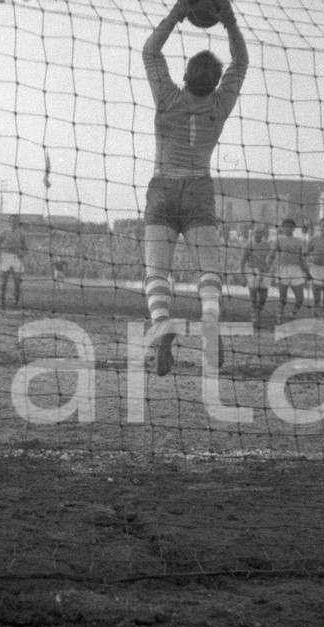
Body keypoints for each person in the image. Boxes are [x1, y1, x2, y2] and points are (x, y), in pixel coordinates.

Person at [142, 0, 247, 376]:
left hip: (163, 187)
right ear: (215, 82)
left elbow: (150, 51)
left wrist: (178, 12)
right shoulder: (219, 105)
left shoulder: (168, 98)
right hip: (199, 187)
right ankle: (210, 322)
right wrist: (229, 20)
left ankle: (162, 326)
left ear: (184, 75)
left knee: (157, 272)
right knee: (208, 271)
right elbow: (242, 63)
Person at [265, 218, 309, 323]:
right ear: (283, 228)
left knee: (300, 298)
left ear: (294, 228)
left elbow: (301, 258)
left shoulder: (299, 241)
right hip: (283, 270)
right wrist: (267, 265)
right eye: (286, 226)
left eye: (291, 226)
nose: (288, 229)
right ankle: (279, 315)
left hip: (296, 270)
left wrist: (307, 272)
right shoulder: (278, 240)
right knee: (283, 299)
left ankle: (293, 313)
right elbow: (271, 254)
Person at [238, 226, 271, 326]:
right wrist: (242, 277)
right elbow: (242, 262)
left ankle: (257, 311)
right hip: (252, 271)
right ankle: (254, 316)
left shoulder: (267, 245)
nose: (258, 235)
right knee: (253, 295)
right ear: (253, 234)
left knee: (263, 297)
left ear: (263, 234)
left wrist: (269, 267)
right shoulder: (248, 245)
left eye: (260, 233)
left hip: (264, 272)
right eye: (256, 233)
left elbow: (271, 258)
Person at [0, 214, 27, 308]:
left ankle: (16, 301)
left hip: (16, 257)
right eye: (12, 220)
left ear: (18, 222)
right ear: (9, 222)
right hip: (5, 256)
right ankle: (2, 300)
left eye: (16, 221)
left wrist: (22, 253)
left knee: (17, 280)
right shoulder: (4, 232)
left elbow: (25, 248)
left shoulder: (22, 233)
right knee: (4, 281)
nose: (14, 222)